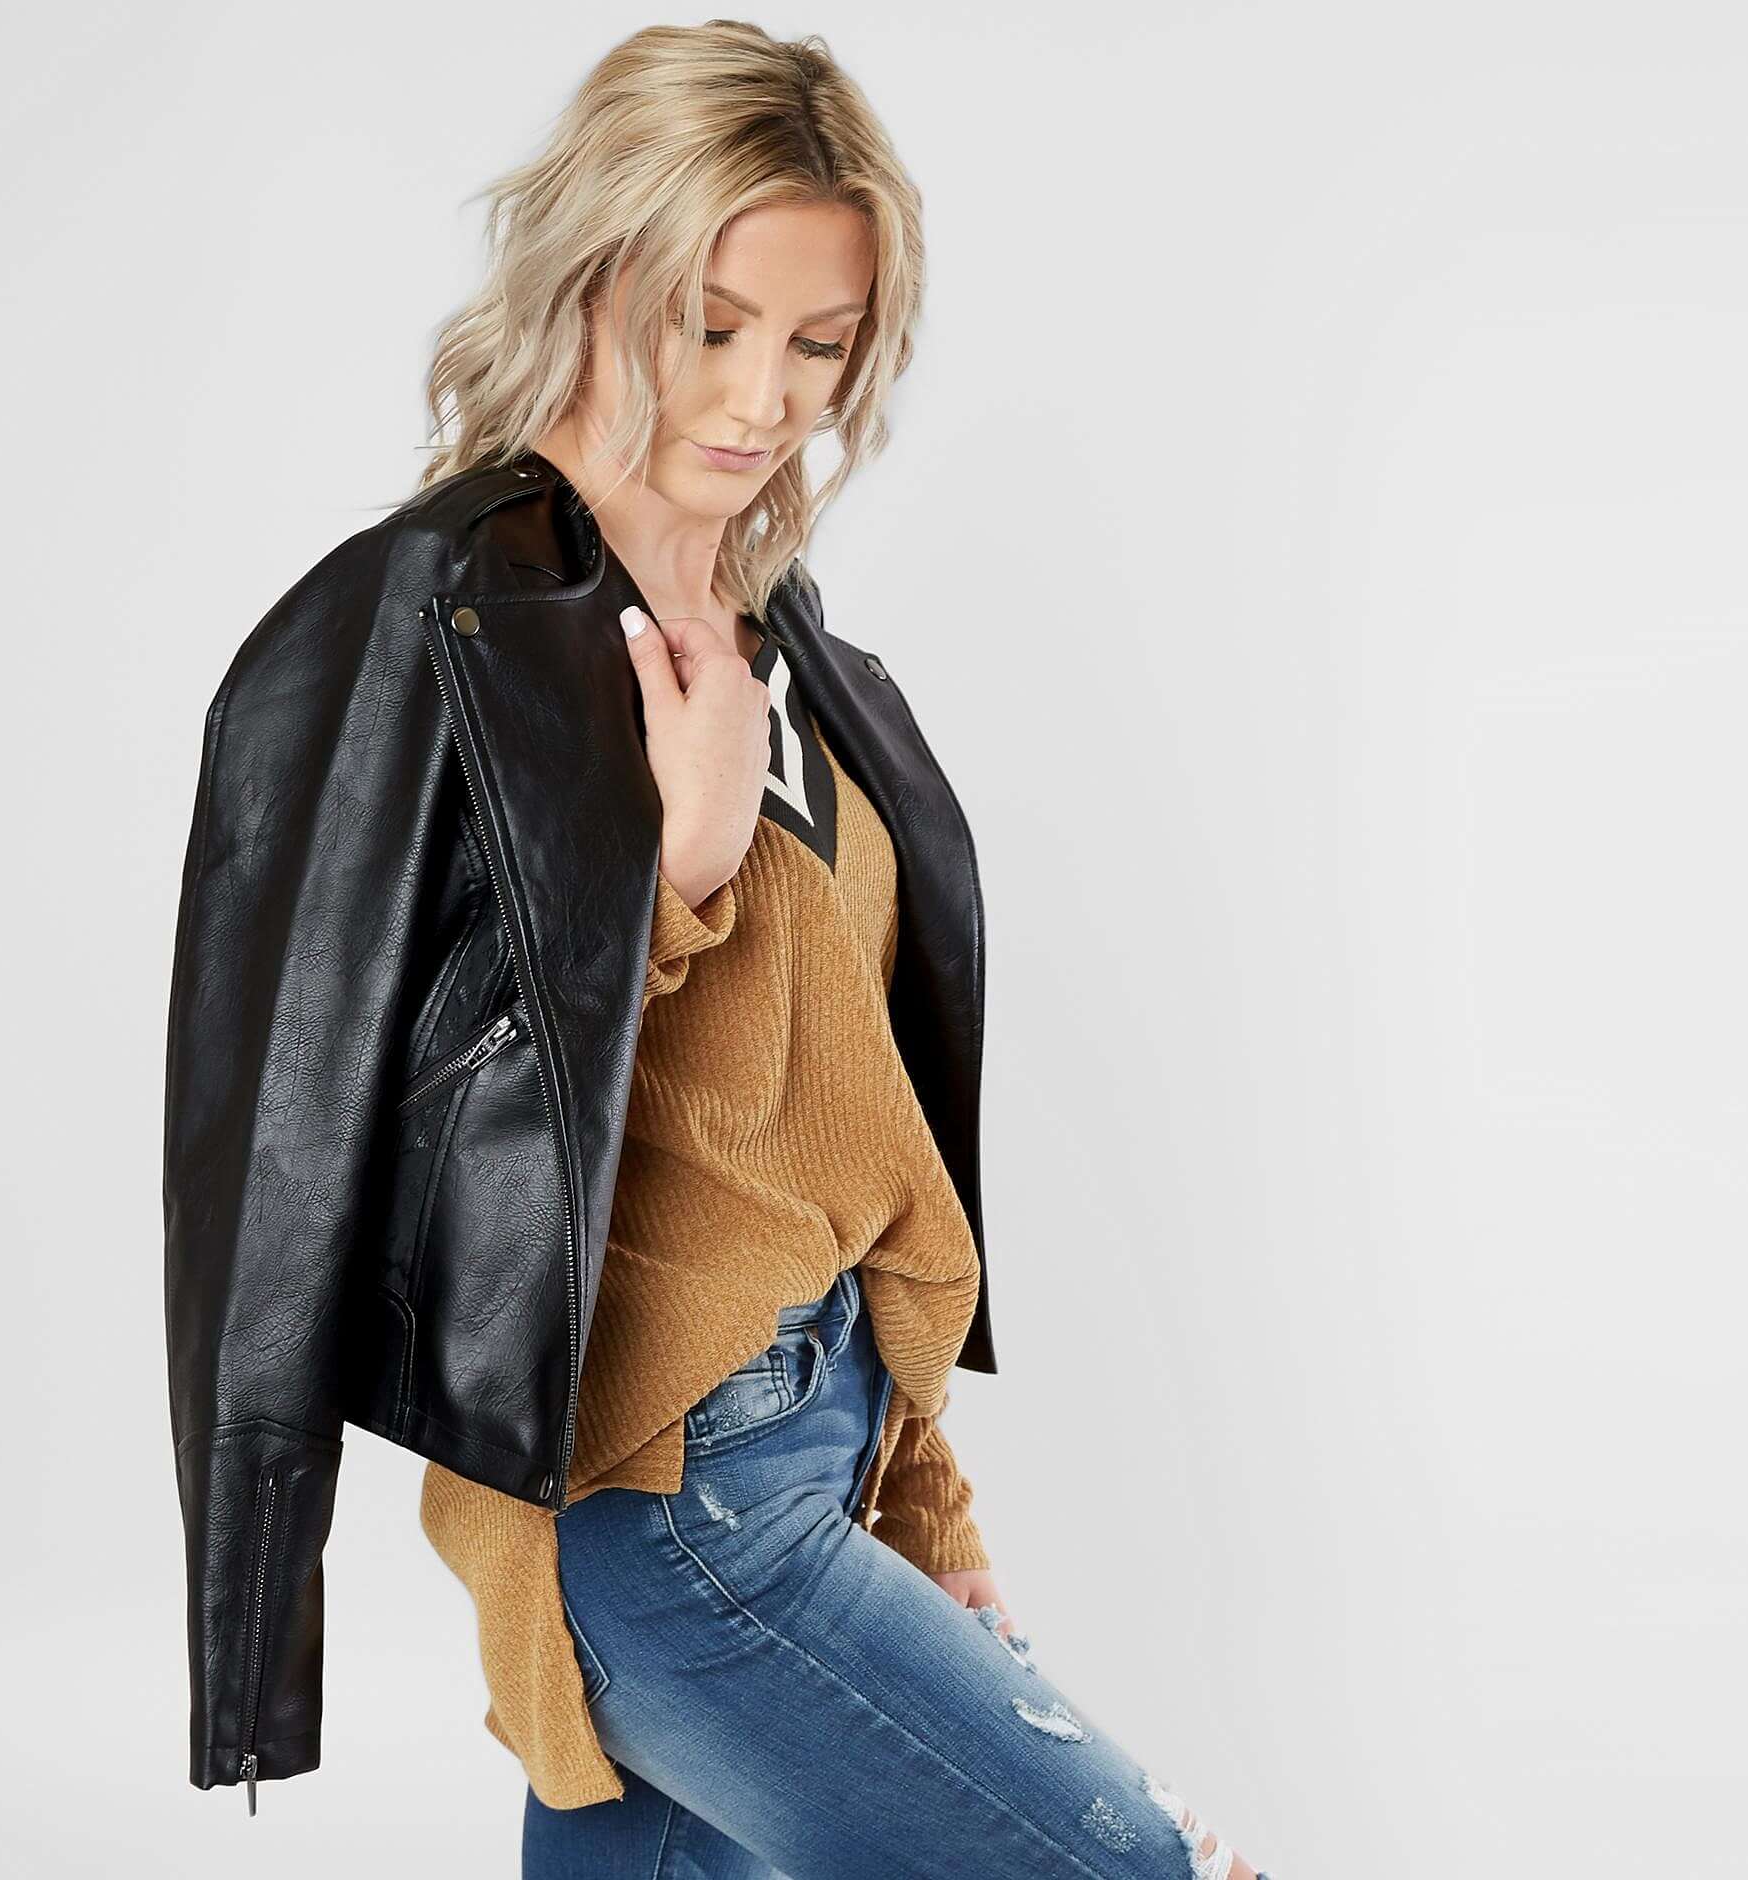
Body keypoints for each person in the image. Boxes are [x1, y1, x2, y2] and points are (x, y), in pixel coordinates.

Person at [164, 23, 1271, 1878]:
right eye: (712, 323)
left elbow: (835, 1139)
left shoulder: (790, 645)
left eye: (818, 345)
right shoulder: (425, 623)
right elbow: (293, 1134)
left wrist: (925, 1498)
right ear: (594, 277)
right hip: (665, 1511)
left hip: (814, 1454)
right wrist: (667, 875)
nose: (765, 399)